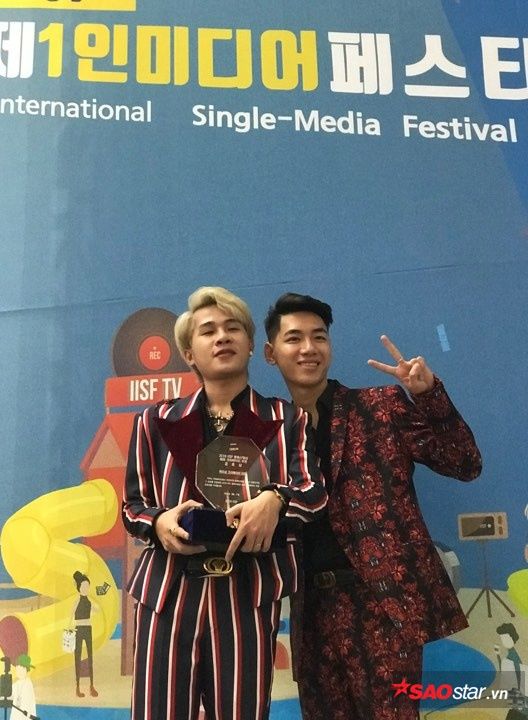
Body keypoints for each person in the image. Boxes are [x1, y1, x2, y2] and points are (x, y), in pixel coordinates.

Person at [264, 292, 482, 720]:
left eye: (319, 337)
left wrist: (429, 395)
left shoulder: (380, 406)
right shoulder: (271, 432)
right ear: (271, 353)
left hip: (385, 606)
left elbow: (465, 463)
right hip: (312, 611)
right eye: (294, 338)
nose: (308, 348)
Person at [122, 287, 326, 720]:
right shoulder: (154, 421)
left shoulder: (288, 419)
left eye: (233, 328)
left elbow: (313, 493)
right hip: (167, 594)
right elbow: (132, 506)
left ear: (251, 345)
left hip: (246, 597)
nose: (222, 337)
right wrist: (158, 523)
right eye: (208, 331)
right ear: (189, 354)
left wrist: (276, 498)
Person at [71, 571, 99, 698]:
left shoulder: (89, 601)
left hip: (88, 628)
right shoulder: (77, 601)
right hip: (78, 629)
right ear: (79, 588)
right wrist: (69, 629)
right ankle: (77, 687)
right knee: (77, 656)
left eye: (88, 586)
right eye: (83, 586)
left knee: (90, 656)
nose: (86, 588)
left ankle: (91, 685)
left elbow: (97, 610)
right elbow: (71, 615)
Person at [9, 654, 36, 720]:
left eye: (22, 668)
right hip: (15, 716)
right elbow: (8, 694)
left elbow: (26, 706)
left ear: (27, 670)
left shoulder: (28, 684)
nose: (20, 671)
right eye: (18, 668)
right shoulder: (16, 685)